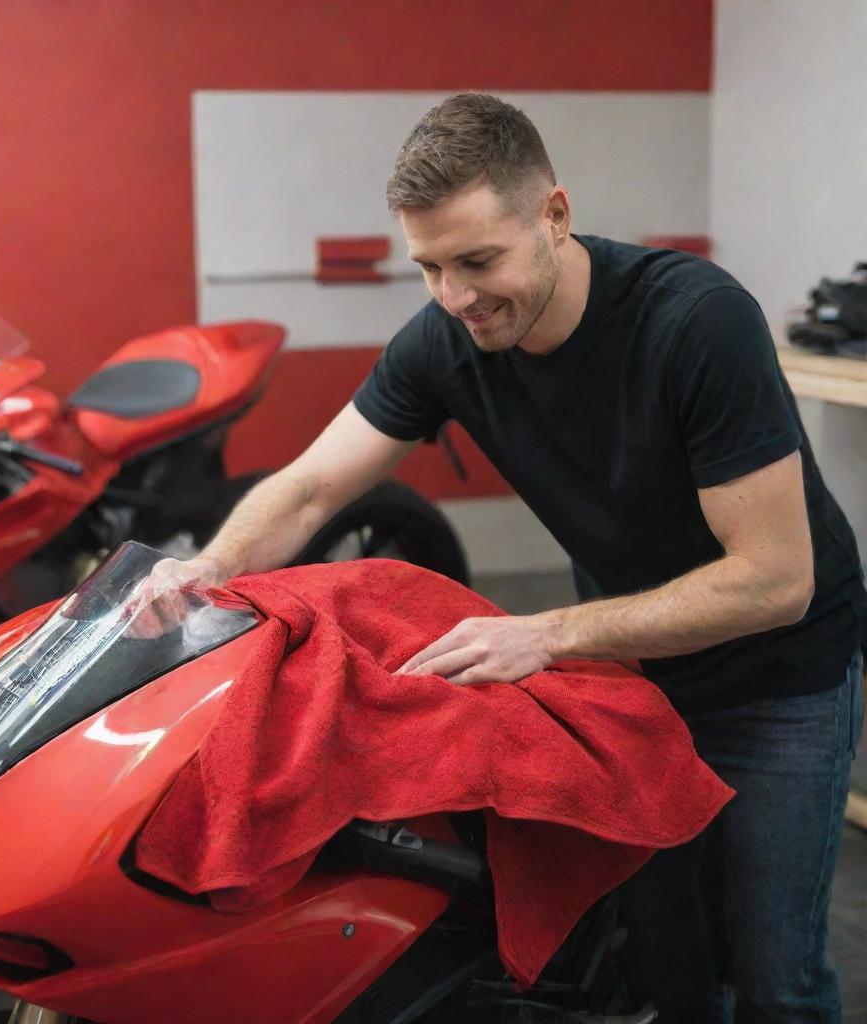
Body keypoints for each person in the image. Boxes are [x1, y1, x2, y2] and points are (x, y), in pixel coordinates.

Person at [145, 93, 866, 1022]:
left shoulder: (696, 322)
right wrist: (213, 567)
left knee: (776, 973)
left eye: (479, 260)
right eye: (431, 267)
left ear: (554, 216)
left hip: (778, 679)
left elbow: (775, 579)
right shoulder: (449, 338)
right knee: (671, 965)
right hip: (635, 671)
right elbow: (314, 488)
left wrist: (550, 634)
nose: (457, 296)